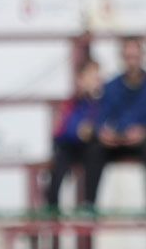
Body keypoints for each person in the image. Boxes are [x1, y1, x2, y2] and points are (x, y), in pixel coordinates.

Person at [83, 36, 146, 213]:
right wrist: (104, 133)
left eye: (135, 56)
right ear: (122, 58)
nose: (132, 62)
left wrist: (144, 132)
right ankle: (89, 204)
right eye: (128, 57)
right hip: (117, 142)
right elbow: (101, 117)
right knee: (94, 148)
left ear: (143, 57)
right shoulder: (111, 85)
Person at [44, 59, 103, 211]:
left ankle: (89, 204)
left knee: (95, 152)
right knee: (58, 165)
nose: (95, 80)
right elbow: (61, 131)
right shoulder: (72, 103)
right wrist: (79, 131)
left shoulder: (101, 103)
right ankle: (52, 208)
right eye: (91, 76)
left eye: (96, 76)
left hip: (90, 149)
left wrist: (90, 130)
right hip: (70, 147)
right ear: (80, 79)